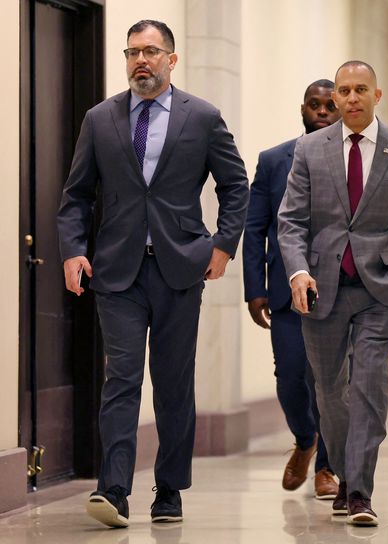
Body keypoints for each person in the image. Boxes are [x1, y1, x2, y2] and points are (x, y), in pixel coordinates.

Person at [57, 20, 249, 528]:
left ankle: (169, 489)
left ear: (172, 59)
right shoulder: (100, 119)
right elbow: (76, 194)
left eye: (151, 51)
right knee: (120, 378)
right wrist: (74, 250)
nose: (141, 60)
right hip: (116, 269)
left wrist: (224, 246)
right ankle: (114, 489)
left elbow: (236, 185)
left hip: (180, 267)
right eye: (132, 52)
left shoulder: (202, 117)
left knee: (172, 382)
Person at [277, 60, 388, 527]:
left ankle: (359, 491)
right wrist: (298, 273)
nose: (352, 98)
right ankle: (343, 471)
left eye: (361, 89)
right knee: (328, 391)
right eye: (344, 91)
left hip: (381, 289)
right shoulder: (309, 149)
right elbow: (291, 221)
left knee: (368, 388)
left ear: (377, 96)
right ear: (336, 98)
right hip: (322, 290)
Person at [242, 79, 340, 499]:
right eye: (314, 105)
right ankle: (305, 438)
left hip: (341, 287)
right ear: (302, 109)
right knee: (290, 376)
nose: (322, 111)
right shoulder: (273, 160)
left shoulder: (354, 159)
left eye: (329, 105)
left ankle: (327, 468)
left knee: (332, 381)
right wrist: (254, 287)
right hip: (285, 287)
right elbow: (254, 226)